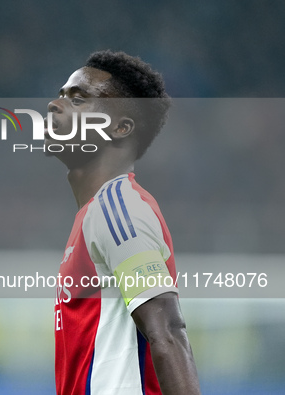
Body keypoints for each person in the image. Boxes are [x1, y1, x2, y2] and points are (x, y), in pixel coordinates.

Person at [49, 50, 200, 395]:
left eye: (78, 98)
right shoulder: (95, 213)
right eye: (60, 95)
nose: (55, 106)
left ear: (120, 128)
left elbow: (169, 332)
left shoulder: (117, 208)